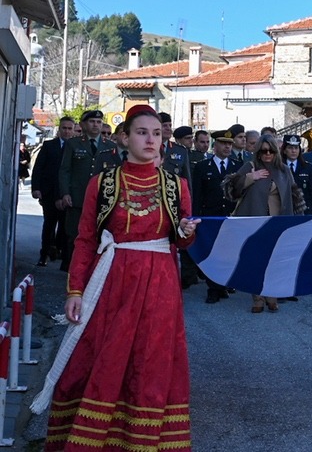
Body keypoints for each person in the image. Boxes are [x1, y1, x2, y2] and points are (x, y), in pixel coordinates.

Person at [43, 104, 198, 450]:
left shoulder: (177, 185)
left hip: (160, 285)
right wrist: (75, 291)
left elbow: (181, 239)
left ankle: (142, 440)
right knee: (102, 358)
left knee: (150, 361)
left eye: (156, 134)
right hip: (112, 282)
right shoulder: (103, 183)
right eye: (142, 133)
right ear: (124, 138)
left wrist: (187, 232)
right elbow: (85, 240)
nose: (151, 140)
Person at [226, 134, 301, 313]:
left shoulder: (284, 170)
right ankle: (258, 298)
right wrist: (250, 177)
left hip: (277, 223)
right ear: (258, 152)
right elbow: (231, 190)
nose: (267, 154)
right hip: (255, 222)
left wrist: (294, 222)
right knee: (256, 260)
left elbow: (294, 196)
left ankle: (272, 295)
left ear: (276, 152)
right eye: (263, 151)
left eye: (271, 151)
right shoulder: (250, 166)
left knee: (274, 260)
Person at [58, 110, 118, 271]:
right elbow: (65, 170)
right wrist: (65, 193)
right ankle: (73, 270)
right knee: (74, 235)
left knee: (99, 236)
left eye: (99, 122)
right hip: (77, 197)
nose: (96, 125)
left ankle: (93, 270)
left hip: (101, 199)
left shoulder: (110, 146)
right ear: (84, 124)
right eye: (92, 122)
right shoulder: (74, 143)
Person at [192, 129, 242, 302]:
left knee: (229, 253)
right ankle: (213, 288)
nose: (227, 147)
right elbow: (197, 195)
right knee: (212, 253)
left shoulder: (237, 166)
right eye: (223, 143)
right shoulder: (202, 166)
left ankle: (225, 284)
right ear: (215, 145)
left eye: (229, 144)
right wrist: (195, 216)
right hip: (210, 216)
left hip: (230, 216)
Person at [32, 117, 75, 266]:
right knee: (49, 225)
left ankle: (58, 251)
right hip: (49, 193)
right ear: (59, 129)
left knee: (65, 226)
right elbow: (39, 168)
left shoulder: (76, 147)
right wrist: (36, 188)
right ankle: (43, 254)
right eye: (64, 128)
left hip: (67, 194)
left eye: (70, 128)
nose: (67, 131)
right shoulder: (49, 146)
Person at [282, 134, 312, 215]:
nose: (293, 151)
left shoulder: (307, 167)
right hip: (285, 209)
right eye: (290, 148)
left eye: (296, 148)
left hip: (305, 210)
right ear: (284, 150)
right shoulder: (279, 167)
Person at [158, 113, 192, 184]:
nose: (168, 128)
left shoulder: (180, 150)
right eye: (164, 126)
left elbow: (186, 179)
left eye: (170, 125)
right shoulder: (149, 148)